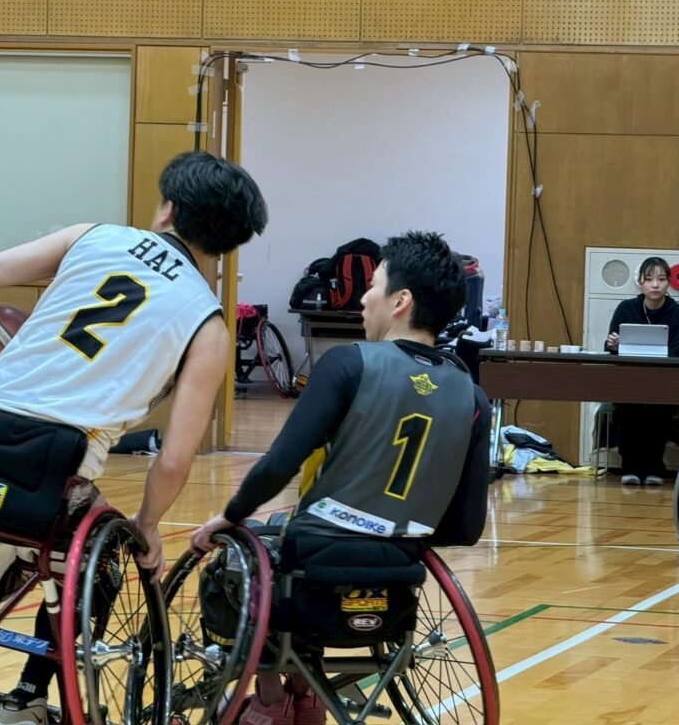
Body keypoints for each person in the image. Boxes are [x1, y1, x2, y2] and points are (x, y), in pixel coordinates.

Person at [0, 151, 267, 725]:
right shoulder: (208, 324)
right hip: (50, 463)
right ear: (230, 243)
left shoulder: (95, 235)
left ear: (167, 208)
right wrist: (148, 525)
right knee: (100, 562)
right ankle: (27, 699)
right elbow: (174, 460)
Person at [191, 231, 492, 725]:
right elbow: (466, 528)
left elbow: (279, 464)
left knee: (234, 559)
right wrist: (391, 530)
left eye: (372, 286)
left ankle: (269, 695)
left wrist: (230, 515)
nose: (364, 299)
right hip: (397, 581)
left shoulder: (348, 363)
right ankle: (307, 696)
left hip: (316, 564)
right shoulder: (471, 394)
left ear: (401, 301)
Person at [603, 257, 679, 486]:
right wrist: (613, 344)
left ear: (668, 282)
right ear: (640, 282)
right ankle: (629, 467)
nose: (655, 285)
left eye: (661, 279)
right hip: (629, 379)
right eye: (649, 279)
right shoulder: (626, 308)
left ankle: (654, 467)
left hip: (664, 381)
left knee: (658, 408)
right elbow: (610, 347)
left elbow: (677, 354)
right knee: (628, 405)